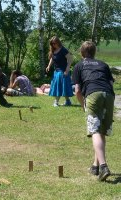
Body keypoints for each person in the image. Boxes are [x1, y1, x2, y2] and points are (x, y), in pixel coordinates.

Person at [73, 41, 115, 181]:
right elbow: (110, 83)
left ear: (82, 53)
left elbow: (77, 91)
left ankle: (103, 166)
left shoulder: (79, 65)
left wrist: (82, 104)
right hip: (109, 95)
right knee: (101, 130)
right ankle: (95, 166)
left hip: (93, 94)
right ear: (94, 52)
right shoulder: (103, 64)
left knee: (95, 131)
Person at [46, 36, 73, 106]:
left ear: (58, 42)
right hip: (56, 71)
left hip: (63, 72)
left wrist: (67, 70)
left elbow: (70, 59)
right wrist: (48, 66)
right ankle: (68, 101)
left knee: (59, 86)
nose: (53, 45)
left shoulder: (63, 50)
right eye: (52, 44)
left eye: (54, 43)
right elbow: (52, 58)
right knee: (62, 87)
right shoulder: (53, 50)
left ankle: (56, 102)